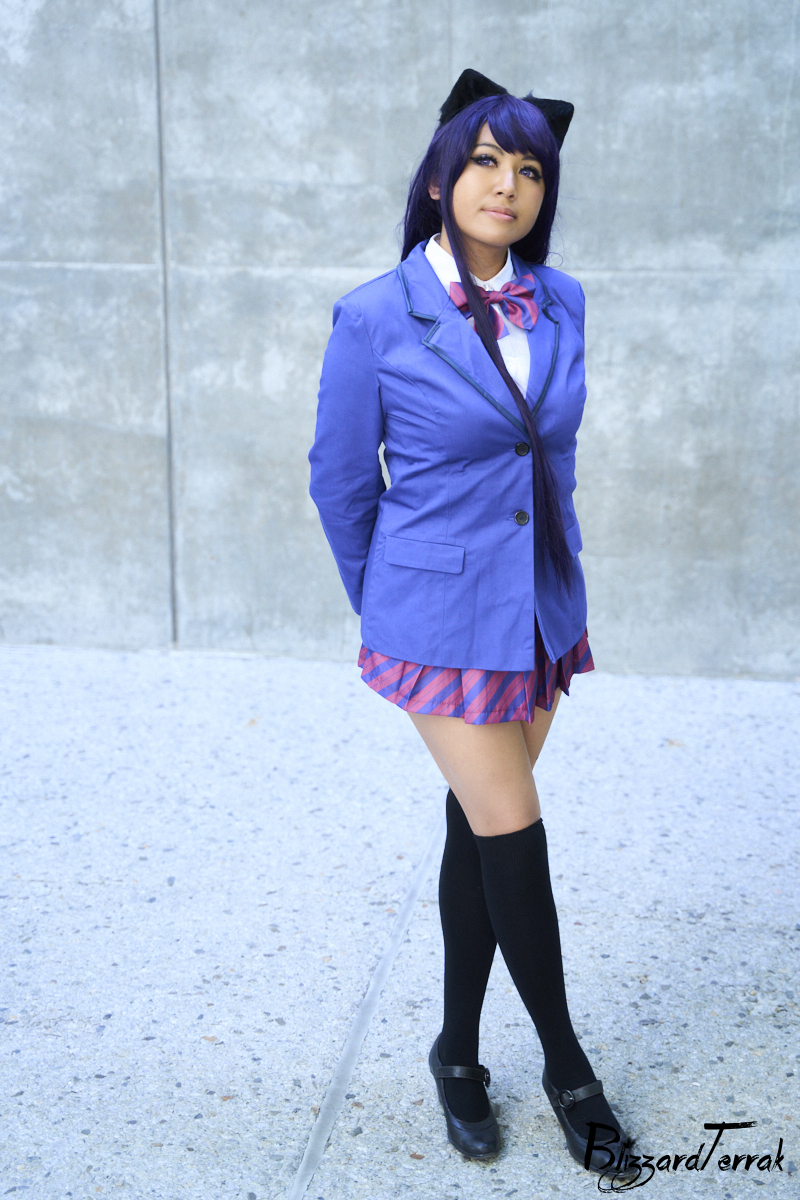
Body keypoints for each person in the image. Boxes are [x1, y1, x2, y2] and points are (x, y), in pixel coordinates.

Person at [309, 68, 633, 1176]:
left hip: (538, 609)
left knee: (478, 828)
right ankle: (568, 1072)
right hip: (435, 619)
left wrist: (556, 573)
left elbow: (550, 456)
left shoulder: (562, 300)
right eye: (486, 160)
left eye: (530, 167)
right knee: (514, 829)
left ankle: (454, 1051)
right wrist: (392, 604)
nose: (507, 183)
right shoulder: (375, 313)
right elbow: (339, 483)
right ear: (439, 178)